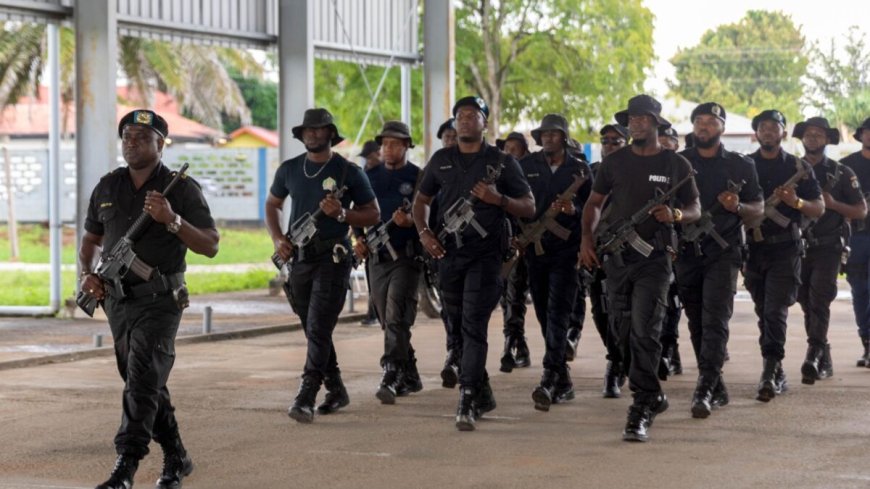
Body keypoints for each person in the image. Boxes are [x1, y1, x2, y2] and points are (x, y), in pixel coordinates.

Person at [80, 109, 220, 489]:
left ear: (161, 143)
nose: (131, 141)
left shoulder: (181, 189)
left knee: (141, 379)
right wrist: (88, 274)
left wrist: (171, 220)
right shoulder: (107, 187)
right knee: (142, 379)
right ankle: (177, 456)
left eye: (142, 135)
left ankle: (126, 466)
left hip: (160, 300)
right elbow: (91, 241)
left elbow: (210, 245)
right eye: (126, 134)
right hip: (117, 302)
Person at [579, 94, 700, 442]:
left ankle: (642, 404)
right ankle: (653, 393)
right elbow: (594, 204)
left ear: (656, 123)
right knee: (622, 333)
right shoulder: (614, 163)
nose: (635, 123)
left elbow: (694, 207)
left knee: (645, 330)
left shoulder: (675, 165)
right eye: (631, 118)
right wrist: (586, 241)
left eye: (642, 118)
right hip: (617, 260)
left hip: (655, 260)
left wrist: (675, 215)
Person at [413, 96, 535, 431]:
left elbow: (529, 206)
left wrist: (498, 200)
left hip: (486, 256)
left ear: (484, 122)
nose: (466, 120)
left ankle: (467, 396)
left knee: (474, 324)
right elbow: (420, 201)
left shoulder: (502, 162)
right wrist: (424, 233)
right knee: (456, 324)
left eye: (474, 115)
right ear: (454, 123)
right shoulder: (441, 160)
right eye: (460, 116)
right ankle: (481, 389)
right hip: (448, 254)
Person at [266, 108, 380, 424]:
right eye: (308, 130)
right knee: (312, 328)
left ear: (331, 133)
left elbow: (373, 214)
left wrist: (342, 215)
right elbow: (273, 204)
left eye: (319, 129)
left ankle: (307, 394)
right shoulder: (289, 170)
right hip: (299, 260)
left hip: (333, 259)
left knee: (318, 326)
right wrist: (278, 238)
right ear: (301, 135)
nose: (313, 134)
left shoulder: (348, 172)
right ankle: (336, 388)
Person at [676, 102, 763, 418]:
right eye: (699, 121)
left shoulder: (740, 166)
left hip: (723, 254)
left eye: (711, 121)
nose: (703, 126)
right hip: (687, 253)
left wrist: (738, 206)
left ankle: (704, 388)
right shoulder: (680, 163)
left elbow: (759, 209)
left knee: (715, 320)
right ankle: (714, 382)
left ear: (722, 127)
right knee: (697, 322)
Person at [745, 109, 824, 402]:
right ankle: (775, 368)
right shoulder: (745, 165)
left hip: (785, 249)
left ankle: (770, 369)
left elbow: (818, 208)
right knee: (762, 309)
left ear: (783, 133)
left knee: (775, 310)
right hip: (753, 250)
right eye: (763, 127)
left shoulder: (799, 167)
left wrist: (797, 201)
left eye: (773, 127)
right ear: (756, 133)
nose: (768, 131)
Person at [518, 114, 592, 411]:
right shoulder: (526, 166)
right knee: (544, 312)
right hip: (534, 250)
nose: (548, 138)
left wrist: (574, 209)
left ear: (563, 137)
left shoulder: (580, 169)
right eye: (544, 134)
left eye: (554, 134)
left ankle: (550, 374)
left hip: (566, 251)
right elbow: (515, 202)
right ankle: (563, 378)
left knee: (559, 311)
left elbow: (594, 208)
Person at [353, 121, 425, 404]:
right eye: (385, 144)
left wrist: (411, 222)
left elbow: (430, 214)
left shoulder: (419, 177)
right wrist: (358, 238)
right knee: (388, 320)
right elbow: (358, 211)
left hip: (406, 256)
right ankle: (411, 373)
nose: (388, 149)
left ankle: (391, 373)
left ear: (407, 145)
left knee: (397, 316)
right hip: (377, 257)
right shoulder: (368, 176)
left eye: (395, 143)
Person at [794, 117, 866, 384]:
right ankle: (823, 352)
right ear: (802, 138)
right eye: (809, 134)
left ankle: (813, 354)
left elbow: (861, 210)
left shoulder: (841, 172)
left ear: (827, 140)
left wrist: (833, 204)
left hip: (829, 247)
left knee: (819, 299)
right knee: (804, 300)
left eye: (818, 134)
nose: (813, 138)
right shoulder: (792, 169)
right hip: (797, 247)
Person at [496, 130, 532, 373]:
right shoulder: (498, 176)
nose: (509, 153)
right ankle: (519, 344)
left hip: (524, 243)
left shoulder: (528, 176)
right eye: (506, 148)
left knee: (515, 294)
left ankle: (511, 343)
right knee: (504, 296)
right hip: (502, 244)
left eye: (514, 149)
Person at [656, 125, 685, 378]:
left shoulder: (684, 170)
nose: (665, 145)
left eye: (669, 141)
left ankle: (668, 347)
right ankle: (667, 350)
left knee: (673, 300)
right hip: (654, 245)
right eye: (660, 141)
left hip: (681, 245)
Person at [842, 117, 870, 367]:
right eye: (867, 131)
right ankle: (867, 343)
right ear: (861, 135)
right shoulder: (846, 166)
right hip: (857, 236)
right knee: (860, 291)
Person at [359, 140, 383, 327]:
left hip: (393, 235)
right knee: (372, 277)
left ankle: (377, 313)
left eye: (370, 156)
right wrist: (359, 236)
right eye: (366, 157)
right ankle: (373, 313)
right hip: (372, 236)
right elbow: (356, 208)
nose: (368, 160)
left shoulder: (389, 173)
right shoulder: (364, 176)